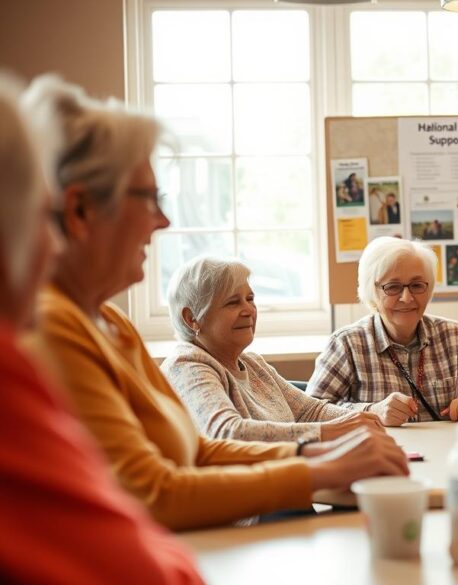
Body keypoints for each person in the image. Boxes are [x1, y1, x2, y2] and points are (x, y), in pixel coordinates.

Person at [26, 75, 408, 531]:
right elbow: (155, 491)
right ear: (80, 211)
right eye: (148, 198)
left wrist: (316, 451)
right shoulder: (53, 324)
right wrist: (318, 466)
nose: (163, 219)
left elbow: (197, 448)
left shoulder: (111, 322)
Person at [0, 74, 202, 583]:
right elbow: (139, 560)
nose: (53, 247)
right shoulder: (25, 349)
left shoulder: (105, 320)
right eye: (44, 219)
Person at [162, 256, 383, 443]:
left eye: (250, 299)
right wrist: (326, 432)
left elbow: (310, 411)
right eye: (232, 302)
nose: (248, 309)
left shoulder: (252, 363)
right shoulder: (187, 365)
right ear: (192, 318)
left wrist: (370, 415)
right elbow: (227, 432)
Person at [307, 236, 458, 425]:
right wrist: (373, 411)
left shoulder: (453, 337)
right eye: (393, 287)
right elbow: (311, 412)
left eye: (417, 285)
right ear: (372, 291)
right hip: (378, 459)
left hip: (444, 457)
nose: (407, 298)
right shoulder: (347, 344)